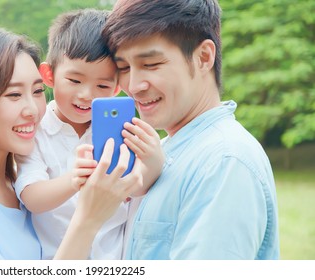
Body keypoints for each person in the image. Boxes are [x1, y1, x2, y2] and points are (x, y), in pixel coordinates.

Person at [0, 26, 143, 260]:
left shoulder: (16, 186)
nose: (33, 110)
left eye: (38, 91)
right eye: (14, 95)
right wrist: (89, 219)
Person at [100, 0, 280, 259]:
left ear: (203, 57)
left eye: (150, 64)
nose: (134, 85)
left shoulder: (224, 162)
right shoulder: (162, 152)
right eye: (124, 68)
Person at [13, 9, 160, 260]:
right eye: (74, 80)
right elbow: (31, 197)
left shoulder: (122, 130)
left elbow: (137, 188)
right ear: (48, 75)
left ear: (116, 88)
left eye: (102, 85)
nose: (86, 95)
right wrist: (74, 180)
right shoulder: (37, 133)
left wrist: (154, 161)